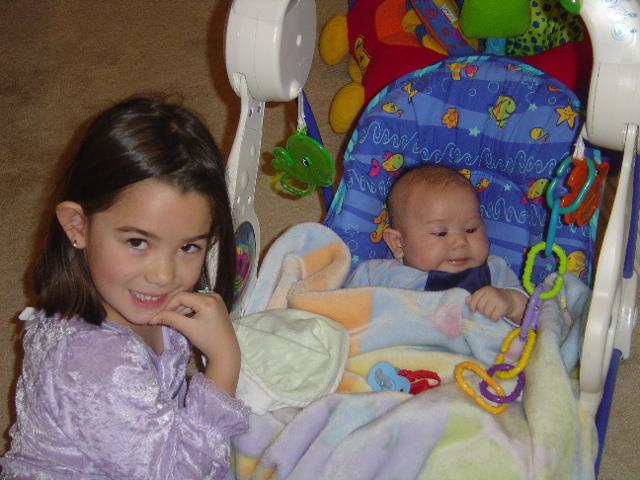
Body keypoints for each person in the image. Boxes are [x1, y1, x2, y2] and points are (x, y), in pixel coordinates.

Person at [0, 96, 249, 479]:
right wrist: (224, 362)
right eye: (137, 242)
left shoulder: (137, 297)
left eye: (188, 247)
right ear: (78, 227)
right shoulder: (92, 364)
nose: (164, 275)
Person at [346, 164, 528, 324]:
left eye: (471, 229)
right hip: (396, 349)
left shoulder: (493, 271)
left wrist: (510, 302)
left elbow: (534, 316)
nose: (460, 242)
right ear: (398, 243)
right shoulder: (378, 275)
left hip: (477, 351)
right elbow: (340, 308)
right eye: (440, 233)